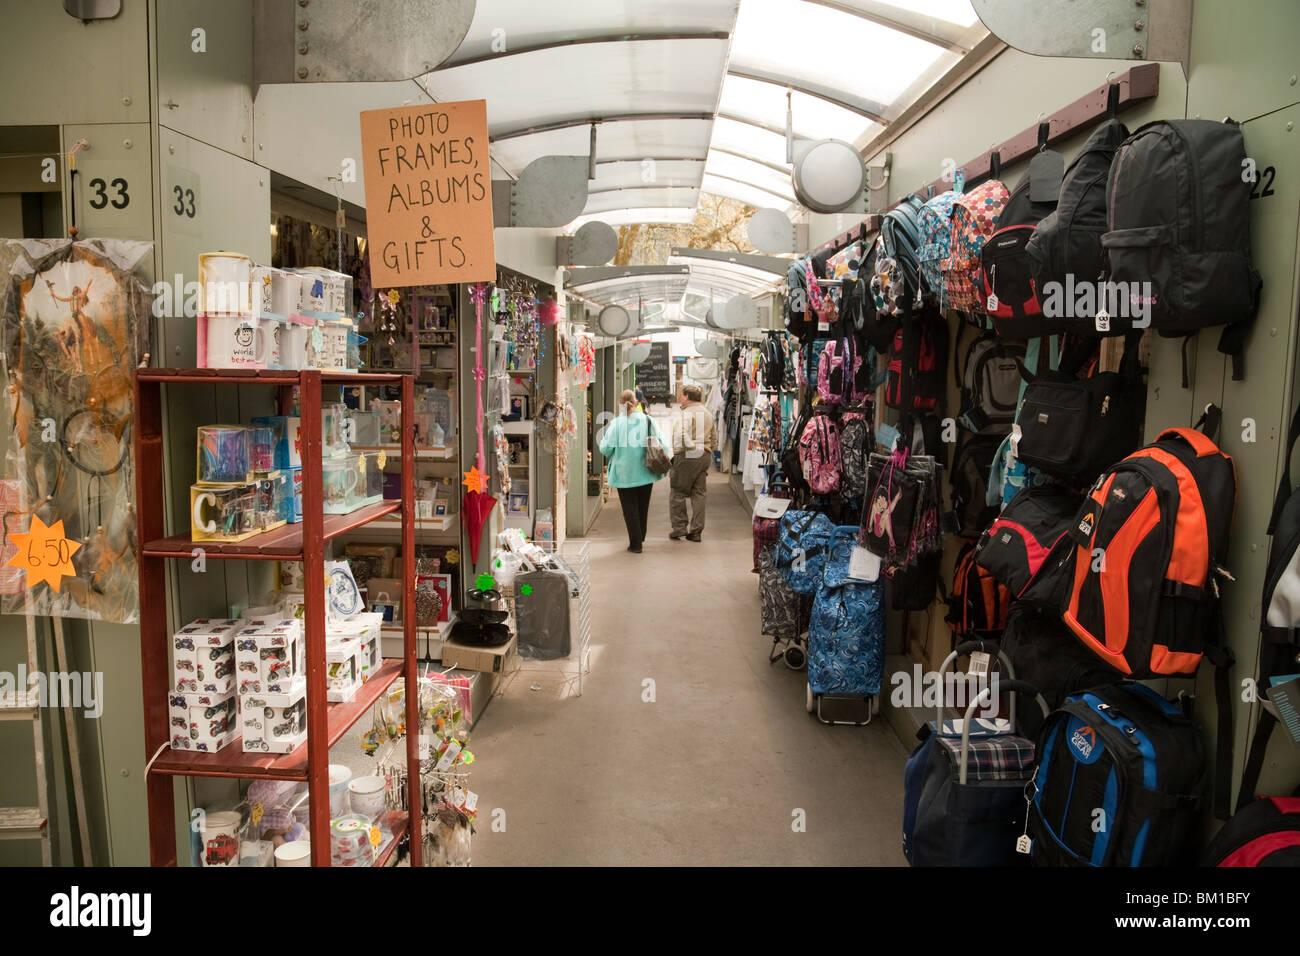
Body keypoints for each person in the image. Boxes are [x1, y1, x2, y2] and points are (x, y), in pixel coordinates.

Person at [598, 389, 669, 553]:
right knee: (642, 507)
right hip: (646, 472)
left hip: (624, 474)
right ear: (636, 402)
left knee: (630, 510)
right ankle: (640, 536)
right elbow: (663, 444)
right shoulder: (647, 420)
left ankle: (636, 544)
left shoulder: (616, 423)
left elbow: (605, 449)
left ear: (619, 404)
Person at [668, 384, 718, 542]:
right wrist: (706, 448)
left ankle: (679, 528)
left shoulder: (686, 413)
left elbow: (682, 432)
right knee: (699, 493)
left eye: (682, 396)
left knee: (677, 492)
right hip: (704, 456)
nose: (681, 398)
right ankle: (696, 531)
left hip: (688, 456)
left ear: (687, 397)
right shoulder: (707, 413)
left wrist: (692, 447)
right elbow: (714, 437)